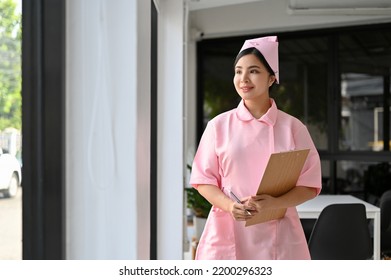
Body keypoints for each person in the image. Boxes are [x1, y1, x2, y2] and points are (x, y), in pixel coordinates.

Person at [189, 36, 322, 260]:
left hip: (280, 234)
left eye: (253, 71)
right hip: (228, 230)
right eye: (238, 71)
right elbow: (204, 180)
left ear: (271, 78)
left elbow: (309, 184)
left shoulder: (293, 128)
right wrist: (230, 206)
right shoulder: (218, 126)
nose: (243, 79)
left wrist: (277, 203)